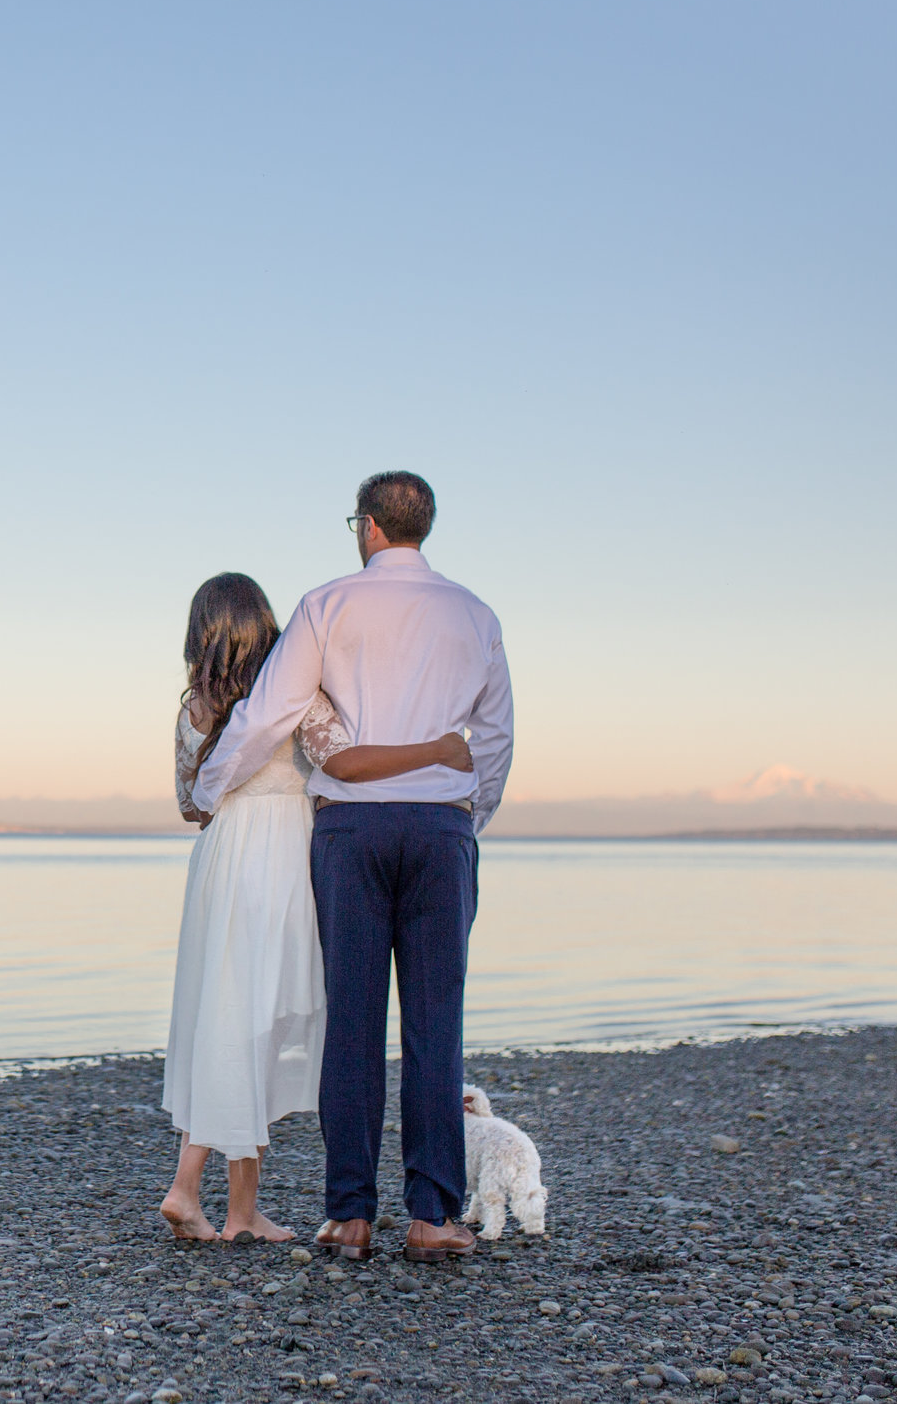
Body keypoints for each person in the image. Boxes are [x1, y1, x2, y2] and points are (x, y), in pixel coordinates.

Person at [188, 472, 514, 1262]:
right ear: (421, 526)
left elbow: (268, 714)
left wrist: (207, 784)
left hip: (351, 831)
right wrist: (471, 815)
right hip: (440, 828)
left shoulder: (325, 604)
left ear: (368, 526)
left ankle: (351, 1214)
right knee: (438, 1023)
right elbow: (495, 736)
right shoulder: (475, 613)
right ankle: (432, 1216)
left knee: (353, 1024)